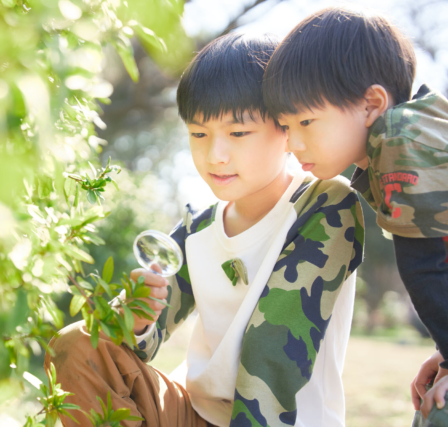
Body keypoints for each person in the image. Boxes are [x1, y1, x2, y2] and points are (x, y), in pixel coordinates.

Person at [45, 32, 364, 427]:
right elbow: (135, 346)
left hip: (279, 420)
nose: (215, 155)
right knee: (77, 346)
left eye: (238, 133)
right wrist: (138, 318)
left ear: (287, 129)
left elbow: (273, 352)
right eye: (199, 133)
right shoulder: (199, 225)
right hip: (195, 413)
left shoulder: (325, 206)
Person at [262, 6, 448, 423]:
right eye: (285, 127)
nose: (291, 143)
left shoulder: (401, 141)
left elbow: (425, 267)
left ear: (371, 105)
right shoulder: (409, 140)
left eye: (306, 122)